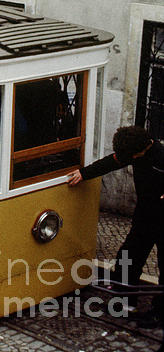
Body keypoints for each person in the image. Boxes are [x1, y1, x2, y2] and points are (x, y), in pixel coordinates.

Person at [67, 126, 163, 327]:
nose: (131, 160)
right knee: (129, 256)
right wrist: (84, 174)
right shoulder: (133, 151)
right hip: (146, 215)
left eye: (133, 157)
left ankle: (159, 313)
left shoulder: (160, 155)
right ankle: (125, 300)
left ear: (142, 149)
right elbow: (111, 162)